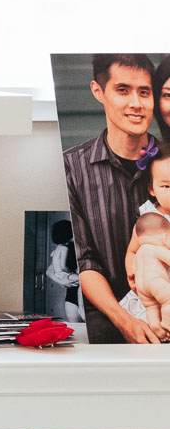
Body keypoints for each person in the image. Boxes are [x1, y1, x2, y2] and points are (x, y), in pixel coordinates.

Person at [63, 54, 160, 343]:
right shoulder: (72, 168)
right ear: (98, 91)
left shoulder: (167, 160)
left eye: (144, 92)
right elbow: (85, 262)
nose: (136, 103)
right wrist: (125, 321)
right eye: (122, 90)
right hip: (108, 312)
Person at [122, 209, 170, 329]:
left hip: (141, 287)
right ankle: (167, 324)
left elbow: (134, 267)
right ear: (165, 238)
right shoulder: (156, 249)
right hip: (156, 281)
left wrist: (133, 276)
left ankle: (155, 326)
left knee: (151, 308)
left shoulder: (140, 253)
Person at [43, 218, 83, 322]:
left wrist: (64, 278)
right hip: (72, 295)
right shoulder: (65, 247)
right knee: (76, 329)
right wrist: (62, 280)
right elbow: (49, 271)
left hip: (89, 294)